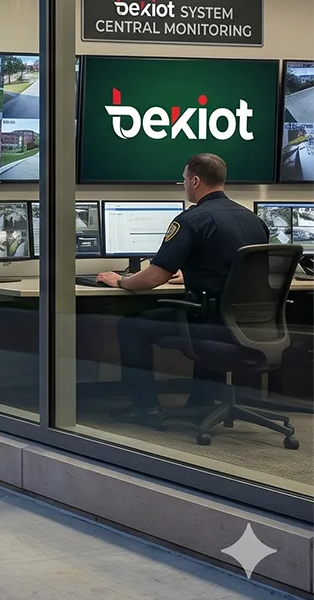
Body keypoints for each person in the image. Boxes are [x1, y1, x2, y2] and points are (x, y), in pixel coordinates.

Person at [96, 153, 269, 426]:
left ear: (195, 180)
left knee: (131, 327)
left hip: (208, 320)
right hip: (247, 324)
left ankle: (145, 407)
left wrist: (120, 281)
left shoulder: (192, 220)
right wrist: (188, 276)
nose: (184, 184)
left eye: (184, 180)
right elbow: (231, 272)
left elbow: (153, 278)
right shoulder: (254, 220)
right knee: (205, 312)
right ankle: (202, 401)